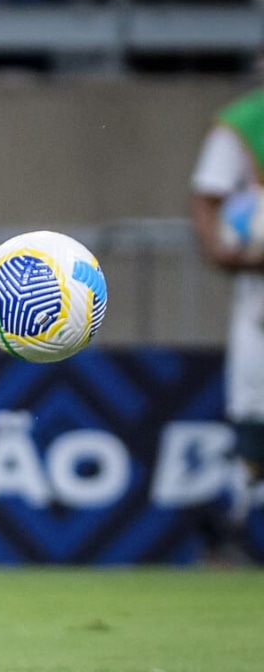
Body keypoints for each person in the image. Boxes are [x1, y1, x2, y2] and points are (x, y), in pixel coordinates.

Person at [190, 85, 264, 534]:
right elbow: (208, 195)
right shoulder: (246, 121)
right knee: (254, 413)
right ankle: (239, 524)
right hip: (258, 295)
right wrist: (223, 250)